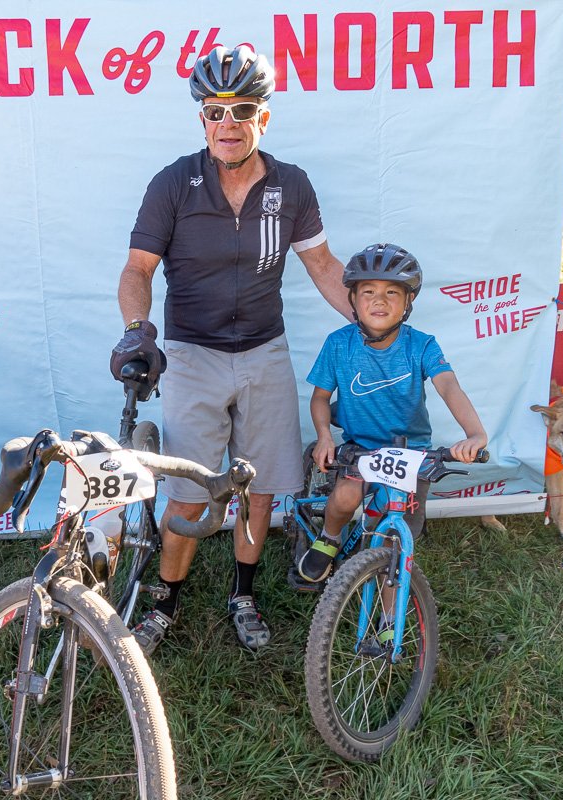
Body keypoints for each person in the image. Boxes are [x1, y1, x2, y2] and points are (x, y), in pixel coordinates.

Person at [111, 45, 352, 654]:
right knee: (190, 490)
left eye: (242, 110)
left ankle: (243, 592)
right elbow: (138, 269)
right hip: (193, 353)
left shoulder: (291, 185)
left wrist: (374, 325)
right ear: (202, 120)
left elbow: (323, 265)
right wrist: (138, 328)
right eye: (215, 111)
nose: (228, 123)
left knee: (260, 485)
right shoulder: (174, 183)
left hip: (265, 350)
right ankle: (166, 598)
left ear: (262, 117)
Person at [296, 244, 488, 585]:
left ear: (408, 302)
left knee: (396, 539)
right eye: (368, 292)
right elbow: (320, 398)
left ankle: (388, 612)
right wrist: (324, 436)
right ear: (353, 299)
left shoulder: (422, 345)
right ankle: (329, 538)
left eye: (392, 293)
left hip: (411, 452)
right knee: (344, 497)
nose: (379, 301)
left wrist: (475, 434)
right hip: (361, 446)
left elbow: (449, 386)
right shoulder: (338, 344)